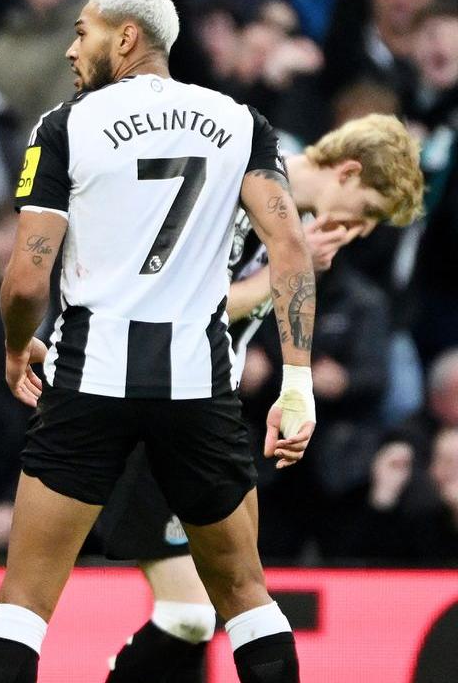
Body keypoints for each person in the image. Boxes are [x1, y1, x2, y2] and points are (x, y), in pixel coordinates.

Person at [0, 0, 317, 683]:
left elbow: (26, 278)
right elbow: (291, 249)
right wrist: (298, 383)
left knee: (25, 602)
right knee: (246, 598)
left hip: (87, 382)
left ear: (125, 37)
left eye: (82, 32)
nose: (73, 50)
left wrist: (16, 349)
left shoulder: (66, 125)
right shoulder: (240, 122)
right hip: (198, 389)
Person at [95, 114, 423, 682]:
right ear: (346, 171)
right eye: (367, 210)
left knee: (196, 615)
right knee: (203, 611)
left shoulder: (288, 221)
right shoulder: (244, 188)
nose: (362, 230)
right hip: (153, 401)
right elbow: (191, 300)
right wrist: (285, 270)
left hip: (198, 409)